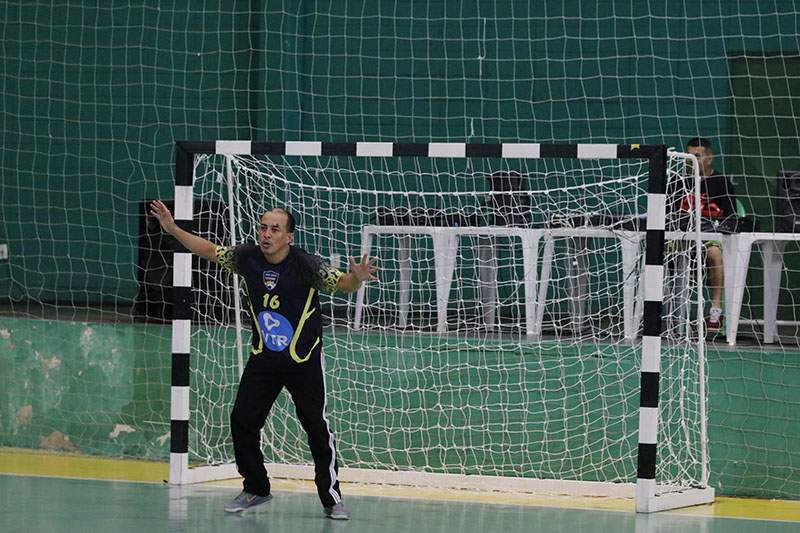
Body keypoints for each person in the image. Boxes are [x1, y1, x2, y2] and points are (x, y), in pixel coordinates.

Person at [149, 200, 379, 520]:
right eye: (263, 228)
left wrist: (357, 278)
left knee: (316, 428)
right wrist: (173, 229)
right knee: (242, 420)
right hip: (264, 359)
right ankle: (256, 488)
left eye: (275, 229)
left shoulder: (306, 264)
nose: (267, 234)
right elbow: (210, 250)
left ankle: (332, 499)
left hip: (303, 360)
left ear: (288, 237)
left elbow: (343, 284)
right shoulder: (247, 258)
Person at [681, 137, 738, 330]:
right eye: (688, 155)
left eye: (697, 156)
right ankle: (649, 311)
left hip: (709, 240)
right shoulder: (677, 181)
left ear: (709, 159)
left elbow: (731, 218)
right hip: (680, 240)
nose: (691, 160)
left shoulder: (721, 182)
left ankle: (715, 310)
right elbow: (667, 214)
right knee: (655, 251)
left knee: (714, 252)